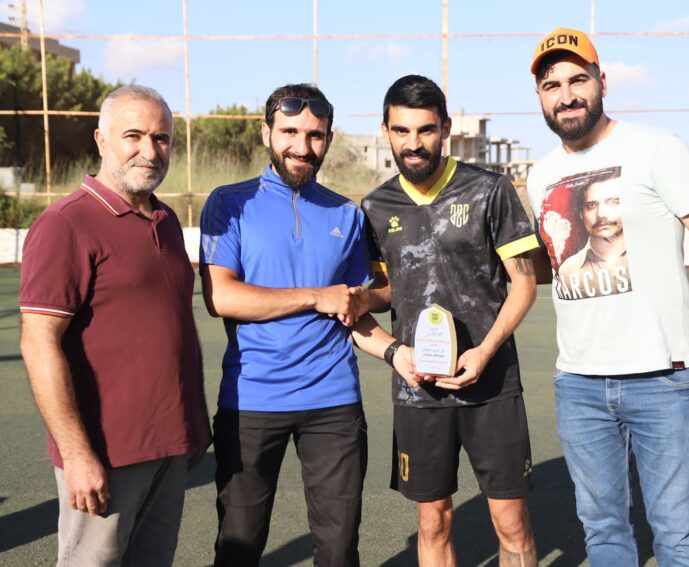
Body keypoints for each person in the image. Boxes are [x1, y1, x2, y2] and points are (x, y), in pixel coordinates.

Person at [527, 27, 689, 567]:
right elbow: (549, 266)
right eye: (552, 85)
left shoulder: (656, 149)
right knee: (604, 534)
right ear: (539, 96)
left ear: (602, 82)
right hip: (578, 384)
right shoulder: (540, 176)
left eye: (578, 79)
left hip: (663, 379)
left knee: (678, 537)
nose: (567, 95)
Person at [199, 83, 413, 567]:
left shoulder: (346, 214)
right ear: (266, 134)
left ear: (329, 140)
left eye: (315, 135)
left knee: (339, 549)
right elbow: (222, 297)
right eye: (290, 132)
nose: (302, 146)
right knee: (238, 545)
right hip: (251, 400)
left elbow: (356, 306)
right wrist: (317, 295)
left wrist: (395, 350)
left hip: (333, 404)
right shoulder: (229, 202)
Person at [19, 85, 212, 567]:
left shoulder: (166, 221)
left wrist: (194, 417)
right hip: (105, 456)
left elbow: (176, 328)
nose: (150, 150)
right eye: (134, 135)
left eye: (161, 138)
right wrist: (77, 454)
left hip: (169, 448)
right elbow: (39, 343)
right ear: (101, 140)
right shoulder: (66, 223)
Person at [361, 75, 540, 567]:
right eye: (401, 131)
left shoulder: (489, 190)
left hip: (491, 382)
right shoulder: (375, 207)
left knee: (510, 520)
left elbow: (524, 284)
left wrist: (485, 351)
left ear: (444, 129)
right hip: (419, 390)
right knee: (433, 521)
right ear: (385, 131)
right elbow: (388, 289)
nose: (413, 143)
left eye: (425, 130)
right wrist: (360, 299)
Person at [555, 170, 631, 298]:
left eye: (613, 202)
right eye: (591, 205)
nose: (601, 214)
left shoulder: (647, 255)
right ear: (581, 214)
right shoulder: (568, 270)